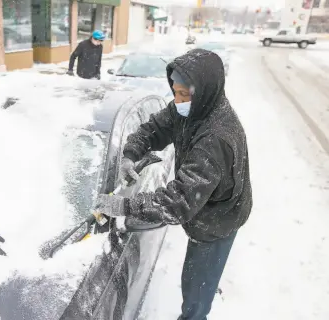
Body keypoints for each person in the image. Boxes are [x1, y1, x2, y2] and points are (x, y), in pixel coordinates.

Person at [95, 49, 253, 320]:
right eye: (175, 92)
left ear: (203, 91)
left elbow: (178, 201)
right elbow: (154, 129)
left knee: (195, 295)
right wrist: (131, 155)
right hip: (202, 204)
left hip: (217, 221)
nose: (178, 101)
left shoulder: (216, 138)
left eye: (184, 94)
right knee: (194, 281)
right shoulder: (192, 106)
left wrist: (124, 205)